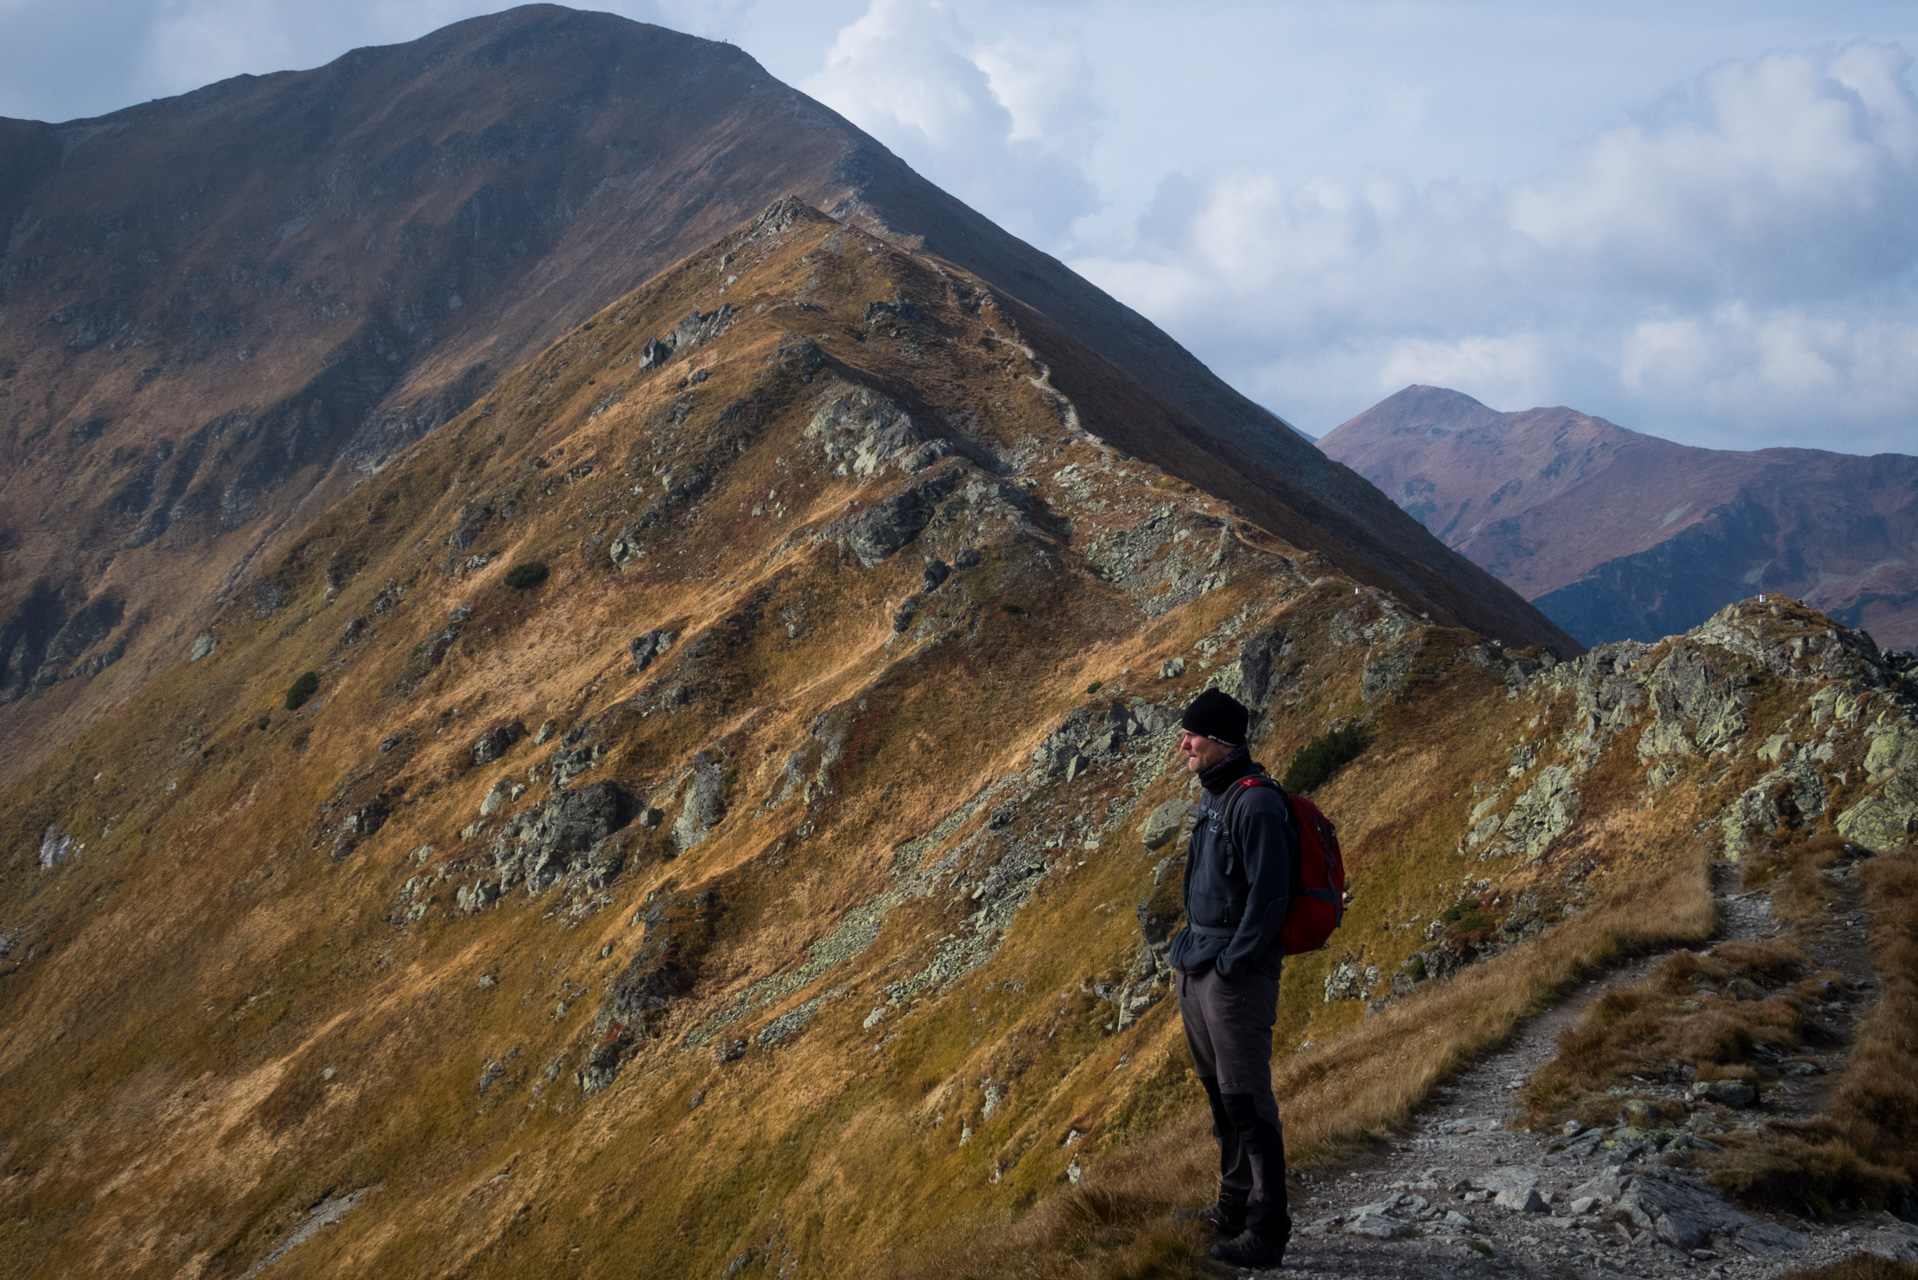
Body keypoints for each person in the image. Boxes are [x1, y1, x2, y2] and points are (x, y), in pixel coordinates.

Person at [1169, 687, 1296, 1268]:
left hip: (1232, 976)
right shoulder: (1214, 793)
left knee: (1246, 1096)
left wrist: (1231, 963)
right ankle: (1233, 1202)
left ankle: (1267, 1229)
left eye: (1193, 735)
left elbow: (1270, 898)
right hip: (1198, 967)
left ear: (1222, 741)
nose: (1184, 743)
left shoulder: (1256, 804)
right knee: (1221, 1097)